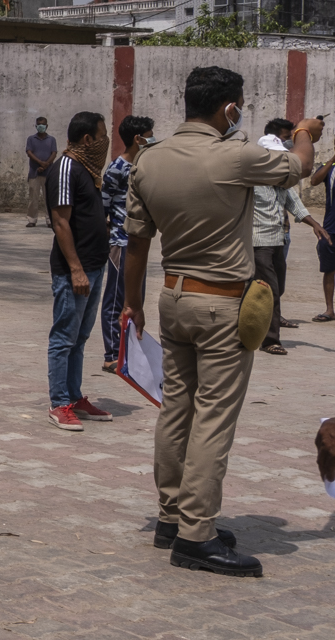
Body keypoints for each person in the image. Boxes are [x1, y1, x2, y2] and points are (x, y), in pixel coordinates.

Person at [122, 65, 322, 578]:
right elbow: (299, 167)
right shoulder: (234, 155)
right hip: (221, 305)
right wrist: (303, 132)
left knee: (177, 410)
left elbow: (137, 243)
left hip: (172, 298)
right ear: (230, 109)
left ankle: (171, 517)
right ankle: (196, 535)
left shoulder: (149, 159)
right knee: (213, 417)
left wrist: (132, 303)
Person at [44, 111, 113, 432]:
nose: (105, 142)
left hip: (95, 267)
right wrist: (76, 269)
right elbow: (60, 222)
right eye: (102, 136)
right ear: (88, 139)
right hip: (76, 271)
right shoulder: (65, 168)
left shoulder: (87, 169)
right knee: (64, 336)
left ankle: (74, 395)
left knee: (80, 337)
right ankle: (59, 403)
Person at [252, 119, 330, 354]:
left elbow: (294, 203)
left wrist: (314, 223)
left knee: (276, 287)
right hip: (258, 242)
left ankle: (253, 328)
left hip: (278, 239)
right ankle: (270, 341)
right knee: (269, 290)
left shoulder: (281, 181)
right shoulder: (252, 179)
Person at [99, 115, 154, 373]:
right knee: (116, 298)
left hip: (137, 242)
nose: (152, 140)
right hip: (120, 243)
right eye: (149, 135)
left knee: (135, 298)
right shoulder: (116, 169)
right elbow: (103, 208)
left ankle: (127, 350)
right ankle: (112, 353)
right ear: (137, 138)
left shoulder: (143, 168)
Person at [311, 150, 335, 323]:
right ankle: (329, 310)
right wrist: (332, 160)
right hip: (331, 227)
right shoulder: (331, 168)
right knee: (329, 269)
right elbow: (314, 180)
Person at [26, 116, 58, 227]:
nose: (41, 126)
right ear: (36, 126)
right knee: (33, 198)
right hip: (34, 173)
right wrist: (41, 163)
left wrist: (45, 165)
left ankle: (50, 220)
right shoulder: (31, 139)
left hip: (48, 173)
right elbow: (29, 152)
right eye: (39, 124)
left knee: (48, 198)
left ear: (46, 126)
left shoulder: (51, 139)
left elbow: (54, 153)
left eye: (43, 124)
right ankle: (32, 220)